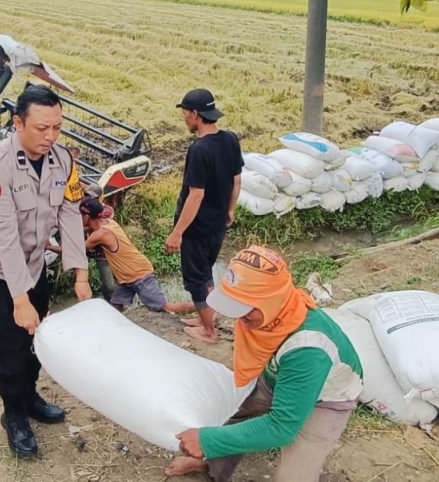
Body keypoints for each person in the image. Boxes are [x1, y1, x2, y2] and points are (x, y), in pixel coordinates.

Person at [0, 84, 92, 458]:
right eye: (41, 128)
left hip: (32, 264)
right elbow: (4, 240)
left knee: (37, 339)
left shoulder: (63, 160)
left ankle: (29, 395)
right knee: (13, 348)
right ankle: (13, 414)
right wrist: (20, 299)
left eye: (57, 127)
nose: (50, 136)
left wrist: (79, 274)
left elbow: (69, 211)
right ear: (18, 122)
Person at [166, 246, 363, 481]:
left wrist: (206, 439)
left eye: (245, 310)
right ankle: (210, 464)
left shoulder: (308, 348)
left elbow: (282, 428)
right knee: (235, 410)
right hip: (278, 376)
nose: (239, 318)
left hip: (328, 397)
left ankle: (210, 448)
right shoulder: (272, 315)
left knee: (294, 475)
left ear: (271, 300)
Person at [164, 88, 242, 344]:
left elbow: (195, 195)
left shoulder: (199, 150)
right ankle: (204, 316)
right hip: (218, 223)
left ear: (195, 115)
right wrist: (230, 210)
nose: (184, 119)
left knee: (196, 280)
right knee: (206, 270)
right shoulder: (230, 139)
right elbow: (237, 181)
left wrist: (177, 232)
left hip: (197, 228)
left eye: (185, 114)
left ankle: (208, 331)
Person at [77, 196, 194, 313]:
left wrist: (57, 248)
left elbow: (77, 249)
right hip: (126, 278)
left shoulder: (101, 234)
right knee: (116, 306)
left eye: (80, 215)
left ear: (86, 217)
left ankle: (203, 307)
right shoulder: (109, 222)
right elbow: (88, 228)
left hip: (139, 275)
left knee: (165, 307)